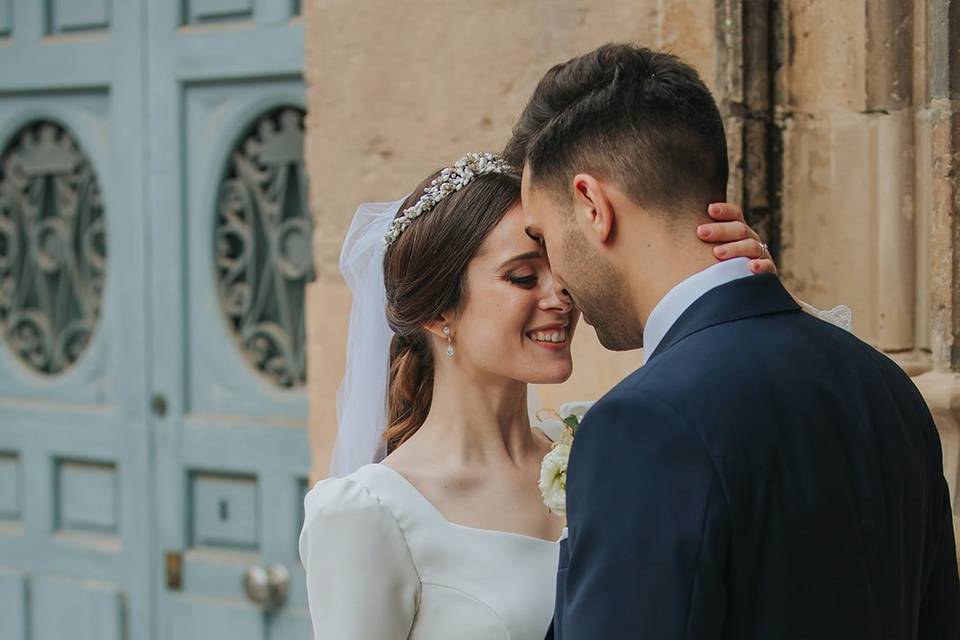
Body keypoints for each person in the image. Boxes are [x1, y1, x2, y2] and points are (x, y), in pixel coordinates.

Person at [509, 43, 960, 639]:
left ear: (593, 204)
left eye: (544, 237)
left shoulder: (642, 424)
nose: (556, 277)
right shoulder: (885, 387)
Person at [298, 150, 781, 638]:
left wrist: (746, 291)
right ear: (438, 313)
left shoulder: (603, 447)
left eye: (560, 267)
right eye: (523, 277)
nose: (560, 295)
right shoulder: (367, 514)